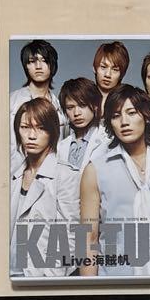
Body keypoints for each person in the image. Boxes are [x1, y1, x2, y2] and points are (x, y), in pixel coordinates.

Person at [79, 86, 150, 276]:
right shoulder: (95, 171)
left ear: (146, 116)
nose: (124, 122)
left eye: (132, 113)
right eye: (116, 116)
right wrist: (89, 291)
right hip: (116, 282)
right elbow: (88, 241)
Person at [10, 98, 76, 278]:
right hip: (10, 275)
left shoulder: (65, 175)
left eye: (40, 128)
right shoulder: (12, 174)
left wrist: (50, 278)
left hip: (42, 277)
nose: (31, 135)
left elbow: (71, 237)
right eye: (25, 127)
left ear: (52, 132)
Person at [9, 39, 66, 172]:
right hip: (16, 173)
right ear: (26, 66)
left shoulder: (60, 106)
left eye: (44, 60)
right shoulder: (11, 101)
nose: (38, 66)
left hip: (52, 175)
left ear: (52, 65)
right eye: (32, 61)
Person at [55, 77, 106, 212]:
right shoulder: (61, 147)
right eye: (70, 107)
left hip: (97, 213)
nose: (76, 113)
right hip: (66, 215)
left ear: (95, 106)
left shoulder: (107, 141)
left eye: (82, 105)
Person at [93, 41, 129, 113]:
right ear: (94, 68)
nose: (107, 74)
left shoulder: (128, 102)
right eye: (103, 67)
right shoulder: (82, 98)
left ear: (122, 74)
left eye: (115, 70)